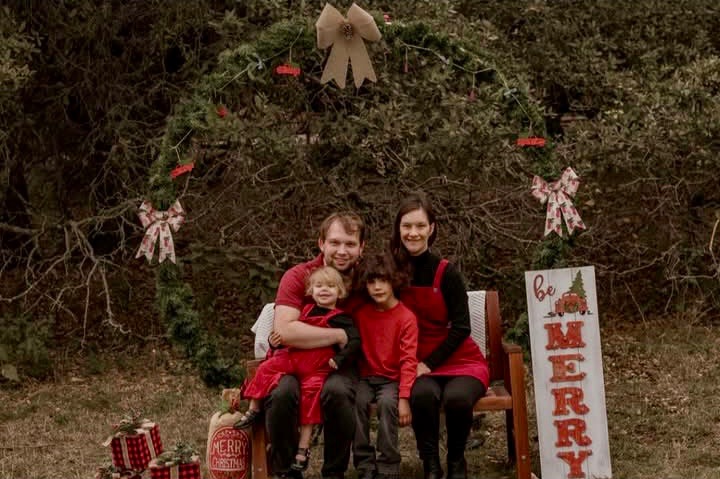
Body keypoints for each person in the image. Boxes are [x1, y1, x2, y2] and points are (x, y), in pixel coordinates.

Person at [389, 192, 489, 479]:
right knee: (421, 395)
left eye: (420, 226)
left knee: (458, 399)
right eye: (407, 226)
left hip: (459, 359)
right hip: (414, 359)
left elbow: (462, 327)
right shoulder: (392, 271)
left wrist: (430, 363)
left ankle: (457, 460)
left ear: (431, 228)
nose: (413, 232)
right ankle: (430, 464)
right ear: (399, 228)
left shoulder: (447, 272)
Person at [265, 212, 366, 479]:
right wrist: (338, 335)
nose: (342, 251)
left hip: (338, 363)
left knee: (338, 391)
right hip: (293, 359)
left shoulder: (367, 280)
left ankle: (334, 472)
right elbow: (285, 331)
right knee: (282, 392)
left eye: (350, 244)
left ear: (361, 248)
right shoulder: (299, 276)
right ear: (321, 243)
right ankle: (286, 471)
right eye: (334, 243)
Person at [236, 266, 361, 472]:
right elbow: (286, 335)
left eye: (330, 286)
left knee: (311, 400)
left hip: (318, 366)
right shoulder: (304, 311)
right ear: (310, 291)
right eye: (318, 286)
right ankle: (253, 408)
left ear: (340, 292)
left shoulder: (343, 318)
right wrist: (274, 342)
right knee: (267, 368)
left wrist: (340, 358)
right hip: (293, 358)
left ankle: (303, 449)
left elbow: (354, 342)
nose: (324, 290)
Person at [352, 254, 418, 479]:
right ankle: (364, 464)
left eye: (383, 280)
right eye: (371, 282)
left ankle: (388, 466)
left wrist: (404, 398)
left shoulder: (406, 317)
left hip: (392, 379)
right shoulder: (361, 315)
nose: (377, 287)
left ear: (394, 281)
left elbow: (409, 360)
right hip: (365, 377)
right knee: (356, 402)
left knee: (387, 404)